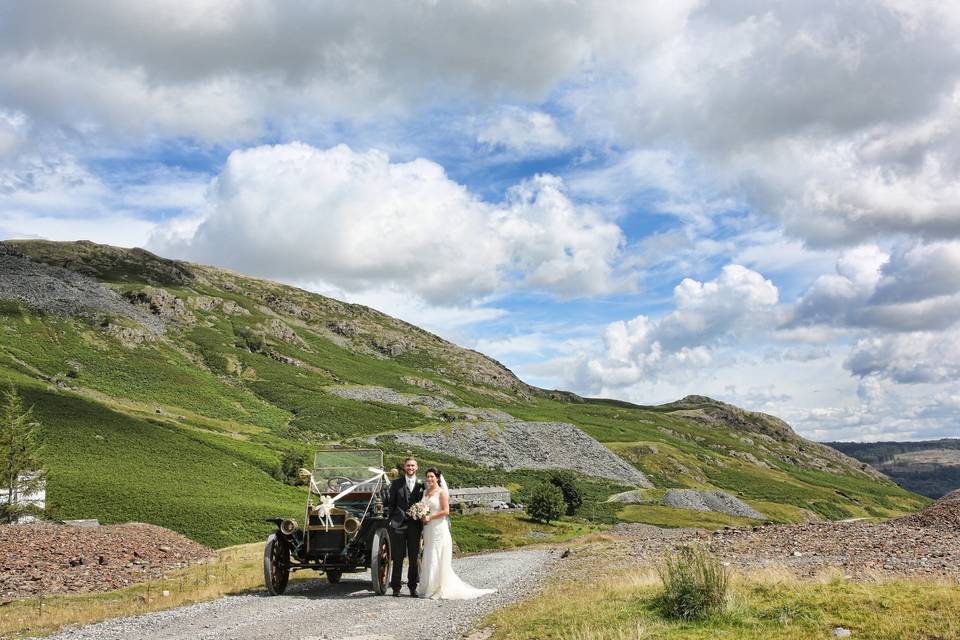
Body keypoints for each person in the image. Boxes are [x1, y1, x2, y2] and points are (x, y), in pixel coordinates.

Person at [418, 468, 496, 600]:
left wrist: (430, 518)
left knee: (437, 554)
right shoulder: (425, 492)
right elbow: (423, 508)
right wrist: (420, 514)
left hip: (438, 527)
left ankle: (437, 588)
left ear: (437, 478)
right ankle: (428, 587)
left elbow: (446, 511)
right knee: (428, 554)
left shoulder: (441, 492)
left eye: (432, 476)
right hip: (428, 528)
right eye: (428, 477)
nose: (429, 479)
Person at [385, 456, 424, 597]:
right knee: (398, 557)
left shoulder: (422, 484)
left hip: (415, 525)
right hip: (398, 524)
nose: (410, 468)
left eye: (413, 466)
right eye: (408, 466)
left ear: (417, 467)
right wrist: (391, 520)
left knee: (414, 557)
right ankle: (396, 588)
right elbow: (391, 503)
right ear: (404, 467)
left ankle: (413, 587)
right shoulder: (396, 483)